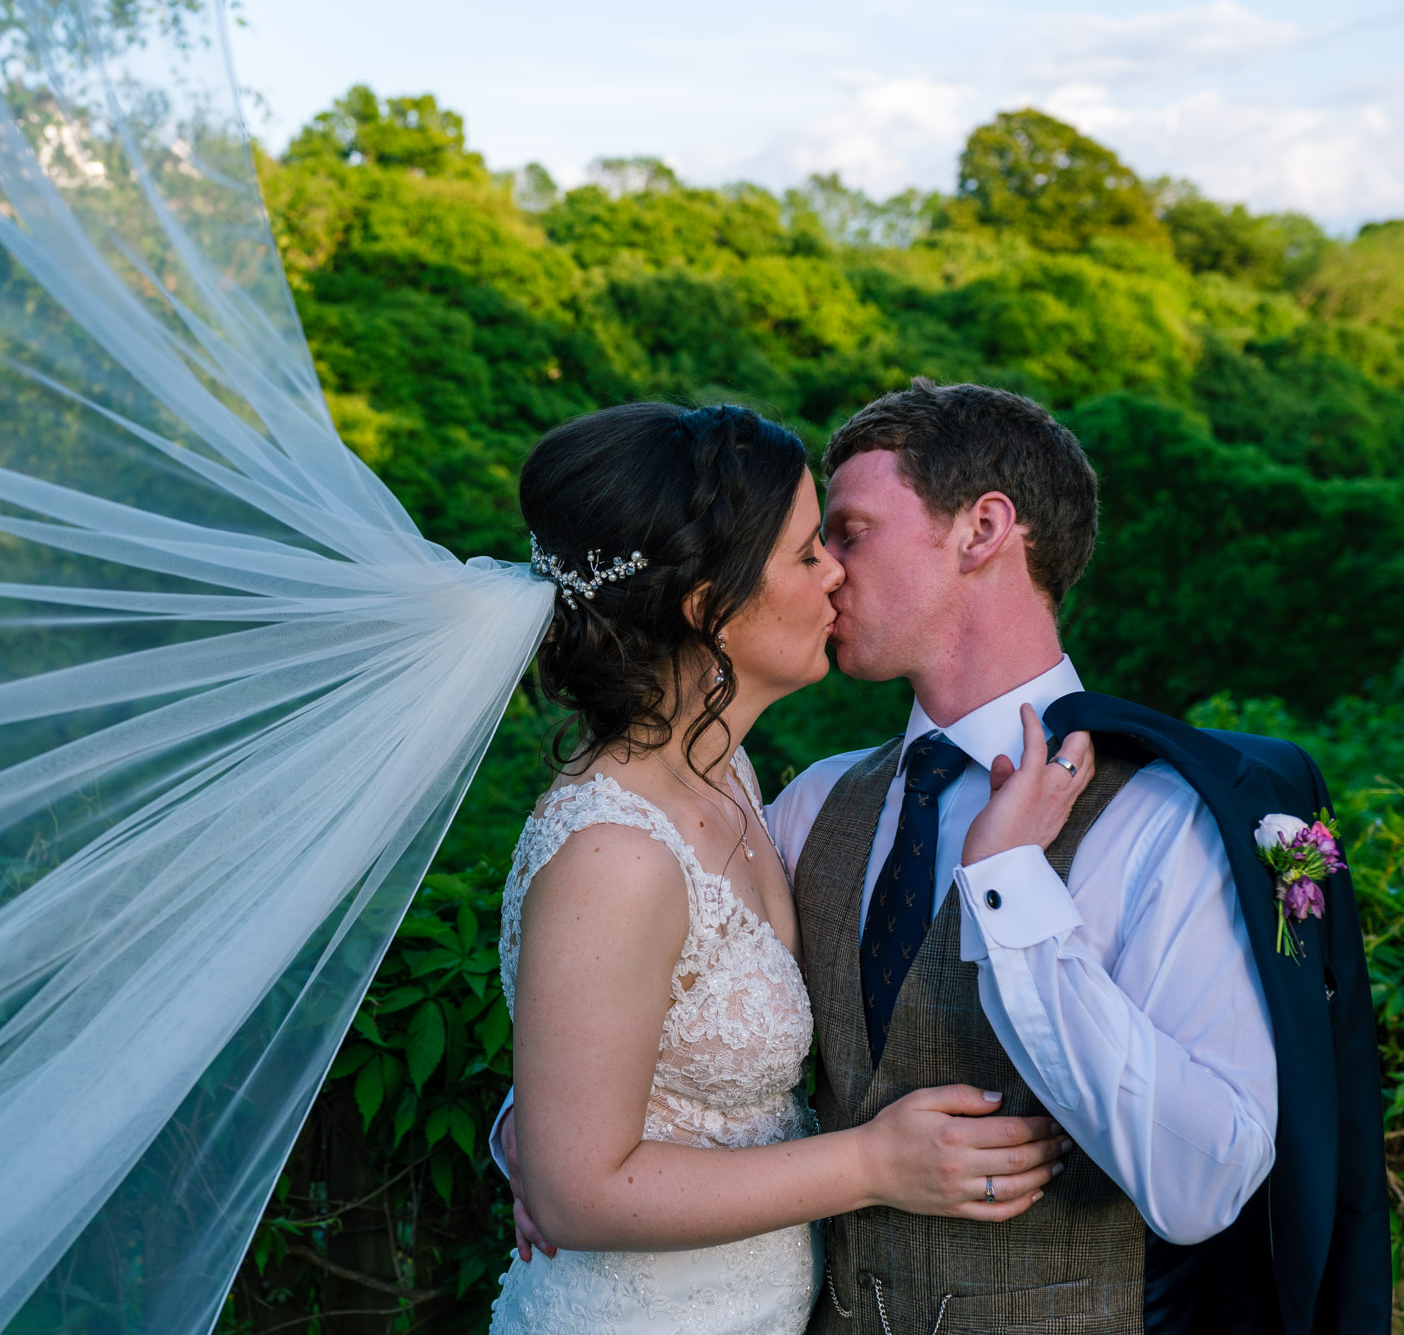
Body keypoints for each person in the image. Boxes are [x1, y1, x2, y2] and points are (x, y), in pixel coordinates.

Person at [499, 380, 1388, 1333]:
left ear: (983, 529)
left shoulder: (1167, 822)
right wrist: (546, 1145)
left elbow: (1204, 1184)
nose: (828, 572)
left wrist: (1009, 888)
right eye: (814, 547)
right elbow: (644, 1021)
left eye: (848, 530)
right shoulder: (806, 804)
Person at [488, 399, 1091, 1334]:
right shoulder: (613, 849)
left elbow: (640, 1042)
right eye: (811, 551)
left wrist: (530, 1118)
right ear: (707, 606)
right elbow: (575, 1194)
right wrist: (874, 1163)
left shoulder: (730, 780)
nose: (838, 575)